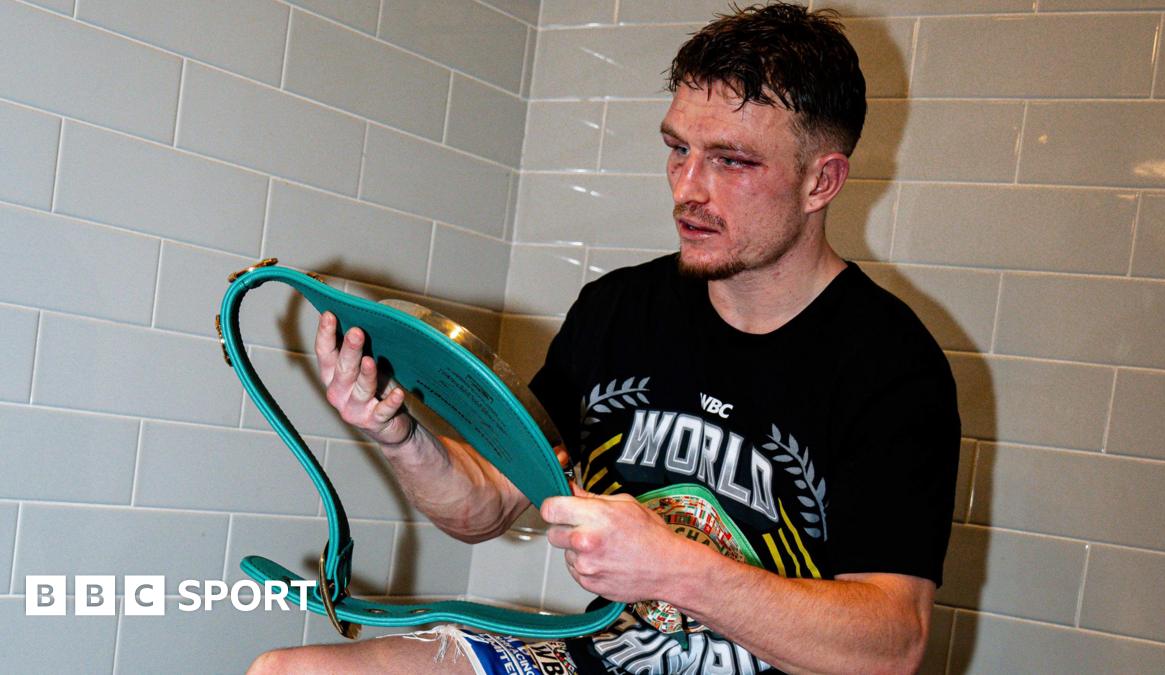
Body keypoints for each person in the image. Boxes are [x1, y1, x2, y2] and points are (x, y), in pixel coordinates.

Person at [248, 3, 959, 674]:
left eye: (732, 161)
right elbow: (486, 504)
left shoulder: (892, 367)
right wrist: (400, 432)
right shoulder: (621, 310)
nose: (688, 187)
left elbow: (891, 645)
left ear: (821, 181)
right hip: (594, 657)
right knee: (288, 669)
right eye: (678, 148)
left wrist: (677, 568)